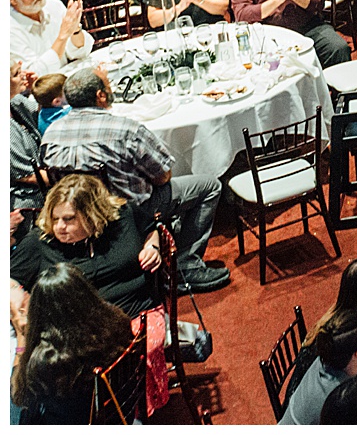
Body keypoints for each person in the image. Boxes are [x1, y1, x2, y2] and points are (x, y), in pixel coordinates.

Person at [41, 64, 228, 290]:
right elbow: (163, 177)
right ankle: (186, 267)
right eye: (108, 85)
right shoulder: (125, 129)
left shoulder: (51, 134)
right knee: (210, 186)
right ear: (100, 96)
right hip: (131, 215)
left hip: (79, 217)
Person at [8, 171, 165, 315]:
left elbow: (151, 229)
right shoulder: (40, 242)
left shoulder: (123, 216)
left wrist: (152, 247)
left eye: (69, 219)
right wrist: (16, 295)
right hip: (79, 330)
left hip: (138, 313)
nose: (59, 226)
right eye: (55, 218)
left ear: (93, 215)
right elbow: (10, 280)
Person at [9, 262, 139, 425]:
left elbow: (18, 398)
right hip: (120, 414)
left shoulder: (47, 361)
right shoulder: (116, 321)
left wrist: (22, 338)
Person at [10, 0, 90, 77]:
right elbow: (35, 75)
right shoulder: (10, 30)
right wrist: (63, 36)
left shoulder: (53, 6)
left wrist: (75, 30)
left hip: (72, 74)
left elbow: (82, 53)